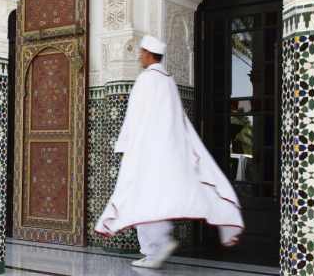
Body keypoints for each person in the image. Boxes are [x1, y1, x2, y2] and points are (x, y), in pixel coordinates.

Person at [94, 35, 244, 269]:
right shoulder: (168, 82)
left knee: (143, 198)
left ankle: (156, 247)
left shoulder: (146, 80)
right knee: (155, 198)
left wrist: (124, 146)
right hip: (167, 153)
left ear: (149, 54)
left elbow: (135, 116)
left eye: (141, 53)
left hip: (146, 152)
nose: (139, 57)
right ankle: (154, 248)